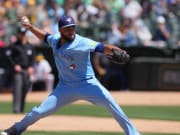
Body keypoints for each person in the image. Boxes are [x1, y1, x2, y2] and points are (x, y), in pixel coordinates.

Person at [0, 15, 141, 135]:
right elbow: (44, 36)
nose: (71, 31)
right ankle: (15, 129)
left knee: (112, 104)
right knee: (39, 111)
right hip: (65, 87)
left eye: (72, 27)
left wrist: (117, 51)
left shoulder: (82, 42)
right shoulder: (55, 40)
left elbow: (102, 47)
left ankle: (133, 133)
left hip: (88, 84)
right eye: (67, 28)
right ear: (60, 30)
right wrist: (30, 27)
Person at [5, 26, 35, 113]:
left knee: (25, 89)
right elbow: (8, 57)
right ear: (18, 34)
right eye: (20, 34)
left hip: (26, 71)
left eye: (23, 34)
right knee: (17, 88)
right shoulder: (14, 46)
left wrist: (31, 66)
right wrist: (14, 65)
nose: (22, 35)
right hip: (17, 71)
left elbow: (33, 59)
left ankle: (21, 109)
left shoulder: (30, 47)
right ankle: (16, 109)